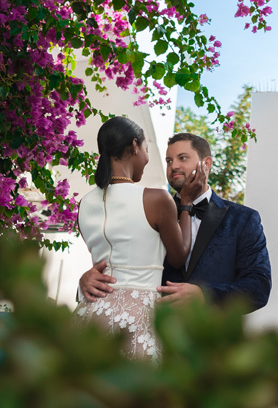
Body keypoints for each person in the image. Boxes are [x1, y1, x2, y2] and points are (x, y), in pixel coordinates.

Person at [79, 132, 272, 314]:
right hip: (152, 334)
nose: (174, 166)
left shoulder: (244, 219)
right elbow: (121, 263)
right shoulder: (150, 210)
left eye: (183, 158)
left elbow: (259, 286)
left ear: (206, 163)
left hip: (213, 341)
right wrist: (85, 281)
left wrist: (205, 295)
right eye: (169, 161)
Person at [73, 117, 203, 361]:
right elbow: (179, 256)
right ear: (134, 146)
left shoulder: (84, 204)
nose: (147, 158)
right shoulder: (156, 199)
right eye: (146, 149)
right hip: (137, 318)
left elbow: (104, 261)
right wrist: (185, 204)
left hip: (91, 314)